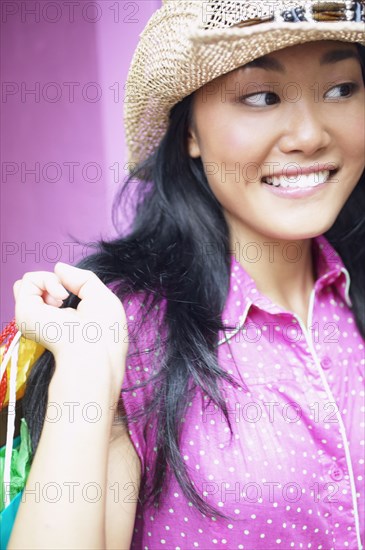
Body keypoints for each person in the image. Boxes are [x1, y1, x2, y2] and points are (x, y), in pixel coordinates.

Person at [7, 0, 365, 548]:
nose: (310, 135)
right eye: (262, 96)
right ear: (189, 133)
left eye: (341, 89)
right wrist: (84, 370)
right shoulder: (129, 334)